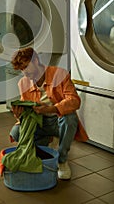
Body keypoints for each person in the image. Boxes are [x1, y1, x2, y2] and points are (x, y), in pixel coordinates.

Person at [9, 47, 88, 180]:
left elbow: (74, 101)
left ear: (36, 61)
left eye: (26, 66)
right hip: (39, 122)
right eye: (22, 69)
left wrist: (51, 109)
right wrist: (19, 115)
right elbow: (27, 112)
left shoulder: (59, 74)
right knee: (16, 132)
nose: (25, 73)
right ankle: (46, 142)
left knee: (70, 118)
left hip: (58, 120)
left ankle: (62, 161)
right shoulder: (23, 83)